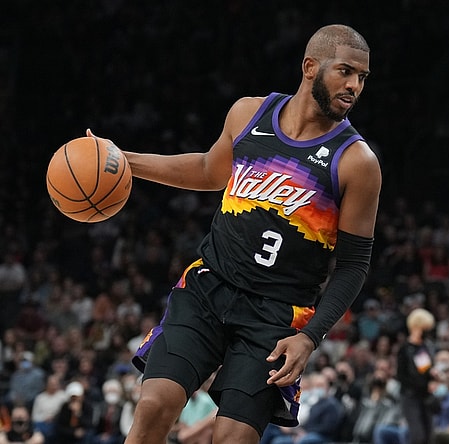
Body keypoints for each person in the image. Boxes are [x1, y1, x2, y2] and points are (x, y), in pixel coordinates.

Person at [89, 24, 380, 444]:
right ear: (310, 67)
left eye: (362, 78)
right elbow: (210, 170)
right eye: (345, 72)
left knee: (232, 439)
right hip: (210, 286)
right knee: (154, 405)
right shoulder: (249, 113)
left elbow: (353, 266)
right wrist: (124, 159)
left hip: (276, 317)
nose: (354, 85)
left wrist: (310, 338)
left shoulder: (358, 161)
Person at [396, 308, 437, 444]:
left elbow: (425, 370)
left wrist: (432, 377)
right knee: (417, 435)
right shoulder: (404, 349)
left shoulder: (426, 347)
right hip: (410, 396)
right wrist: (422, 384)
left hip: (425, 396)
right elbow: (401, 375)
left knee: (429, 435)